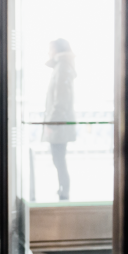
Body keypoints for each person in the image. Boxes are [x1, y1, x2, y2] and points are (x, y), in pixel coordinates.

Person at [41, 38, 76, 201]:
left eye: (50, 49)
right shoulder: (61, 67)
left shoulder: (62, 68)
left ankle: (64, 191)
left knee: (59, 159)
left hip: (59, 124)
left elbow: (60, 99)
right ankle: (62, 189)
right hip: (60, 123)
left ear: (57, 50)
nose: (49, 52)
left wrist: (52, 123)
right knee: (58, 158)